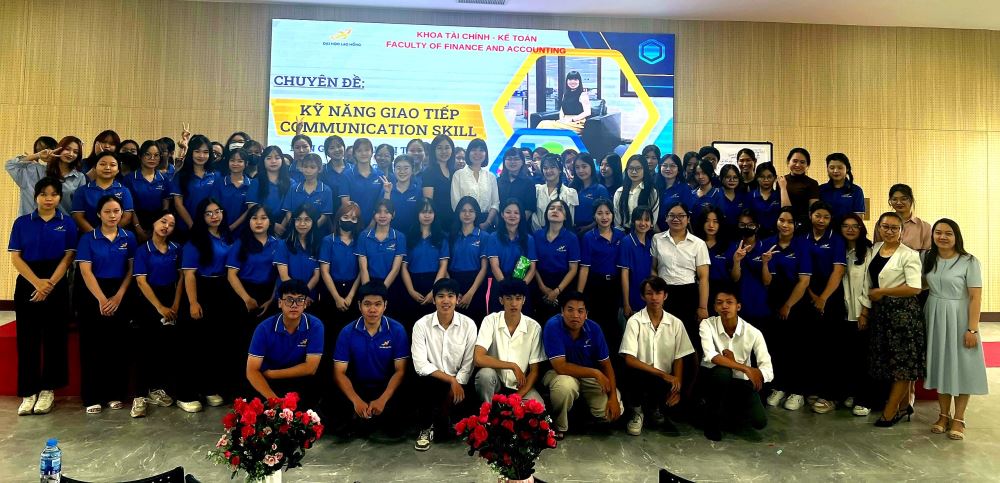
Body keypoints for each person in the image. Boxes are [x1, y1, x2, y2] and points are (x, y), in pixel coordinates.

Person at [10, 178, 77, 416]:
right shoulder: (22, 223)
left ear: (59, 197)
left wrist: (49, 285)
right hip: (28, 280)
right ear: (36, 196)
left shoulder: (67, 223)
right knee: (27, 338)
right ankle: (29, 391)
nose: (48, 198)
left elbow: (68, 257)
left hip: (56, 281)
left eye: (54, 194)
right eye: (43, 194)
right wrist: (37, 283)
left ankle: (49, 390)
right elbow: (16, 257)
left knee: (54, 337)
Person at [922, 219, 986, 440]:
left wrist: (972, 329)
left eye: (948, 233)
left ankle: (959, 418)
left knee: (961, 366)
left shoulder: (970, 261)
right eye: (938, 232)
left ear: (956, 236)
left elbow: (976, 297)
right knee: (941, 364)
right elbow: (922, 284)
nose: (942, 237)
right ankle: (943, 415)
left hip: (960, 317)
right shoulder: (928, 258)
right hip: (934, 314)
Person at [859, 212, 923, 427]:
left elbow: (914, 287)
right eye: (885, 226)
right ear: (878, 228)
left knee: (902, 364)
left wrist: (884, 291)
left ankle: (890, 411)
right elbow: (868, 283)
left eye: (894, 228)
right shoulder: (875, 249)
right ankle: (904, 406)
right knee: (887, 362)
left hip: (902, 315)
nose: (889, 231)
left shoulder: (909, 254)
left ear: (901, 231)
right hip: (881, 313)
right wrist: (865, 311)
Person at [76, 195, 136, 415]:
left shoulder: (128, 237)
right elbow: (85, 271)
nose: (112, 215)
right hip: (93, 293)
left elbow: (131, 270)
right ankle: (92, 396)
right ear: (99, 214)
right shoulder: (88, 238)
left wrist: (118, 296)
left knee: (117, 346)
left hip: (120, 291)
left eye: (116, 211)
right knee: (92, 346)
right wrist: (102, 299)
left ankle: (115, 393)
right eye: (107, 211)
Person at [331, 281, 409, 437]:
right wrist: (356, 400)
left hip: (386, 386)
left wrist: (383, 399)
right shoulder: (347, 332)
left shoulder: (397, 330)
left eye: (378, 304)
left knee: (396, 429)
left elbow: (400, 371)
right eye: (367, 304)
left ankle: (374, 418)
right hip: (358, 385)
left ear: (385, 305)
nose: (372, 309)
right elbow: (339, 373)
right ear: (359, 305)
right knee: (337, 419)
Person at [620, 276, 695, 436]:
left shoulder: (676, 323)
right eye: (649, 293)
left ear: (665, 295)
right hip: (642, 375)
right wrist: (662, 374)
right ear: (643, 296)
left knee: (678, 412)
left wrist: (677, 386)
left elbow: (679, 357)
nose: (654, 297)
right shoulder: (635, 321)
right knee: (630, 371)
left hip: (664, 379)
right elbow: (629, 359)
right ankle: (637, 412)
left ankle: (656, 408)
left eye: (658, 293)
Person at [177, 197, 233, 412]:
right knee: (194, 345)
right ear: (201, 217)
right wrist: (193, 302)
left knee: (214, 344)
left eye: (217, 211)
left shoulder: (226, 236)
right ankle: (186, 394)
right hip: (201, 290)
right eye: (208, 213)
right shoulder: (196, 240)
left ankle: (209, 389)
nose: (214, 216)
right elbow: (189, 274)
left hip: (222, 290)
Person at [542, 291, 622, 439]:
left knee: (610, 412)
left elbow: (606, 364)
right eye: (570, 310)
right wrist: (596, 373)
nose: (575, 315)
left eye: (580, 311)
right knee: (565, 387)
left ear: (586, 314)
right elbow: (560, 366)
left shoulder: (594, 329)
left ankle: (584, 417)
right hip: (558, 374)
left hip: (587, 375)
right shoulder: (553, 326)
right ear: (562, 311)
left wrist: (613, 398)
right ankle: (559, 426)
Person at [410, 278, 478, 450]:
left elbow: (469, 362)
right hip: (432, 380)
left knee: (454, 426)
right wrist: (450, 380)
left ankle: (447, 419)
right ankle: (426, 428)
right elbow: (420, 364)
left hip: (460, 381)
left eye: (450, 296)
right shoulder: (421, 325)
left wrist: (457, 381)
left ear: (457, 299)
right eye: (440, 296)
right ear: (433, 300)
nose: (445, 300)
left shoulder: (468, 325)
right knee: (422, 383)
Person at [699, 288, 773, 441]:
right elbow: (711, 355)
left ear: (738, 306)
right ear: (715, 307)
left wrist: (755, 373)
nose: (724, 306)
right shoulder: (707, 324)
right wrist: (743, 367)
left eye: (729, 302)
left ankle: (730, 412)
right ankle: (712, 420)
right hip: (713, 378)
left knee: (760, 422)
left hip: (740, 382)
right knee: (723, 372)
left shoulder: (753, 332)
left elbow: (768, 370)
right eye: (720, 303)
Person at [131, 210, 183, 417]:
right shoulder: (143, 250)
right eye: (163, 221)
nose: (166, 226)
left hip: (171, 298)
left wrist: (175, 305)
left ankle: (156, 390)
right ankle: (139, 397)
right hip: (148, 301)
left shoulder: (176, 249)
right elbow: (141, 281)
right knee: (145, 349)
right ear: (153, 223)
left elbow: (181, 278)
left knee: (164, 349)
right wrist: (160, 307)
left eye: (171, 224)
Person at [760, 207, 812, 411]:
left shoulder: (802, 245)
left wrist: (788, 305)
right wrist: (765, 264)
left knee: (796, 348)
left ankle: (797, 391)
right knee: (777, 347)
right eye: (782, 220)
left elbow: (804, 281)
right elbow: (766, 281)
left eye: (790, 221)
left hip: (796, 302)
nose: (785, 225)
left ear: (796, 225)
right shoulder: (767, 243)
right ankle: (779, 387)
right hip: (773, 300)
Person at [246, 279, 324, 409]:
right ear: (279, 303)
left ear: (305, 304)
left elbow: (310, 368)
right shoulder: (263, 328)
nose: (294, 305)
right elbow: (252, 370)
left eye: (300, 300)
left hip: (297, 377)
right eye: (289, 300)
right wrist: (274, 400)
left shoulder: (315, 325)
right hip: (268, 381)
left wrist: (272, 374)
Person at [800, 201, 847, 414]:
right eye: (818, 215)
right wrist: (812, 296)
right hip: (808, 296)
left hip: (831, 299)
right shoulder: (802, 238)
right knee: (812, 347)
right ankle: (814, 389)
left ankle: (831, 396)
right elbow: (802, 272)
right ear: (811, 215)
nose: (821, 220)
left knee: (831, 349)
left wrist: (823, 298)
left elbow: (838, 271)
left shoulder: (836, 239)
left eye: (826, 217)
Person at [474, 279, 546, 404]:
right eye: (509, 298)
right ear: (501, 300)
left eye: (518, 298)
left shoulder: (534, 327)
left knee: (539, 407)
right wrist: (512, 365)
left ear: (524, 300)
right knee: (484, 375)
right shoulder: (490, 320)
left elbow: (534, 371)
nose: (514, 303)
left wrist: (516, 397)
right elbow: (478, 358)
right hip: (495, 382)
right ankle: (487, 412)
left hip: (519, 385)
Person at [652, 202, 710, 351]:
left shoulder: (698, 244)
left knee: (688, 340)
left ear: (688, 219)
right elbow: (653, 269)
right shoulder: (657, 239)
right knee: (664, 338)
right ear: (666, 218)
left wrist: (702, 307)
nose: (676, 219)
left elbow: (703, 278)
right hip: (664, 294)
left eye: (681, 216)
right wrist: (656, 293)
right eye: (672, 215)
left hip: (688, 294)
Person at [226, 204, 280, 355]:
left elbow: (279, 275)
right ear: (248, 221)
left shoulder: (278, 244)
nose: (259, 222)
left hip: (268, 294)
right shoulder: (241, 243)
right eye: (254, 218)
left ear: (270, 221)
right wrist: (247, 299)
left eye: (263, 218)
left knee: (265, 339)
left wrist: (272, 299)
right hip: (243, 292)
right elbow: (231, 274)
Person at [577, 199, 625, 348]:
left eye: (607, 213)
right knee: (596, 321)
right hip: (595, 284)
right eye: (600, 213)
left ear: (612, 215)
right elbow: (584, 268)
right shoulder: (588, 237)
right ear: (594, 216)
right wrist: (579, 295)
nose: (604, 217)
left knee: (613, 322)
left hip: (615, 284)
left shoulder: (621, 236)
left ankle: (612, 355)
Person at [840, 213, 875, 417]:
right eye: (846, 225)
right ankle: (852, 393)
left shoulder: (868, 252)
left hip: (860, 313)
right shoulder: (839, 251)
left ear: (861, 229)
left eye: (855, 226)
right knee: (848, 357)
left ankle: (865, 399)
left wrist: (864, 313)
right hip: (842, 313)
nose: (850, 229)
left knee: (863, 358)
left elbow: (868, 284)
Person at [7, 136, 86, 217]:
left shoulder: (79, 177)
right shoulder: (36, 170)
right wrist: (37, 155)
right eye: (67, 149)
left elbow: (79, 208)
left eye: (76, 152)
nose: (71, 154)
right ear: (59, 148)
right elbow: (11, 165)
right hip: (31, 222)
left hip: (61, 223)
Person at [401, 198, 449, 321]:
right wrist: (411, 291)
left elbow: (443, 266)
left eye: (430, 212)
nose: (427, 215)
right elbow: (404, 268)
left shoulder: (441, 237)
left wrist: (434, 291)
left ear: (435, 214)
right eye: (423, 212)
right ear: (417, 214)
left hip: (434, 282)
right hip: (412, 283)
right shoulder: (409, 237)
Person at [532, 199, 580, 323]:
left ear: (566, 216)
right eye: (552, 208)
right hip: (540, 282)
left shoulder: (571, 238)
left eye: (560, 209)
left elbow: (573, 269)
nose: (555, 211)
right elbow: (533, 265)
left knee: (561, 323)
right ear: (546, 213)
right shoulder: (537, 236)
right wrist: (543, 287)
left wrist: (557, 291)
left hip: (563, 284)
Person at [357, 199, 407, 315]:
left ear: (393, 214)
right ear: (374, 214)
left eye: (387, 212)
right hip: (368, 283)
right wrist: (368, 292)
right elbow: (363, 268)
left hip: (391, 284)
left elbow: (396, 269)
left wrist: (382, 291)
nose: (382, 215)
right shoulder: (364, 236)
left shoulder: (399, 237)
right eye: (379, 212)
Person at [486, 199, 538, 311]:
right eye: (508, 212)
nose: (512, 215)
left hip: (522, 284)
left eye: (516, 213)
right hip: (500, 283)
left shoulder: (529, 239)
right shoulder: (493, 237)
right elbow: (494, 266)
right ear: (502, 214)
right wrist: (506, 288)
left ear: (521, 216)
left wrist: (520, 287)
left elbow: (532, 269)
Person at [318, 203, 362, 331]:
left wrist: (350, 296)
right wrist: (337, 298)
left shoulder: (360, 241)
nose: (349, 221)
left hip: (353, 289)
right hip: (331, 290)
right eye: (346, 217)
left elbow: (361, 271)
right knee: (330, 329)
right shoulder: (328, 240)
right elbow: (324, 272)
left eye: (353, 218)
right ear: (338, 218)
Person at [71, 151, 135, 233]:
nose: (107, 168)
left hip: (116, 236)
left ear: (118, 170)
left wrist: (109, 232)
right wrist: (95, 235)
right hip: (89, 235)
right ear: (94, 168)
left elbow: (127, 217)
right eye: (102, 164)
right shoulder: (82, 191)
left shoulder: (124, 191)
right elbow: (78, 217)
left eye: (112, 165)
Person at [450, 197, 489, 323]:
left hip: (476, 283)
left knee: (476, 322)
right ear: (458, 213)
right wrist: (454, 291)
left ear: (476, 214)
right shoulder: (451, 236)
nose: (467, 214)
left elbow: (484, 268)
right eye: (463, 211)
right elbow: (445, 266)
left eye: (471, 211)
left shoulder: (484, 236)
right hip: (454, 282)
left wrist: (471, 293)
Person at [170, 135, 219, 235]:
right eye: (197, 151)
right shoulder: (181, 176)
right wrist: (192, 226)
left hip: (211, 227)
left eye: (205, 152)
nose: (201, 156)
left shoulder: (216, 175)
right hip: (186, 228)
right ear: (191, 152)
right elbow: (178, 205)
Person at [124, 141, 171, 241]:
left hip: (158, 224)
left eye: (156, 155)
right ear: (140, 156)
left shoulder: (164, 178)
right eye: (148, 154)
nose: (152, 158)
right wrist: (138, 229)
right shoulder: (129, 179)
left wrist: (160, 225)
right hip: (135, 223)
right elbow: (130, 208)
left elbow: (165, 206)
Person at [275, 204, 322, 304]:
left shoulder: (316, 246)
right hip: (287, 298)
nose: (302, 223)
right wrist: (300, 297)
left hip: (308, 298)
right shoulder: (283, 244)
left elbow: (316, 276)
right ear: (293, 221)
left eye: (307, 220)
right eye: (298, 219)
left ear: (313, 222)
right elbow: (284, 277)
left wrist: (304, 294)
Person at [450, 139, 499, 229]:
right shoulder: (458, 175)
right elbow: (455, 203)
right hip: (464, 222)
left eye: (481, 150)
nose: (477, 153)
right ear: (468, 153)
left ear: (486, 154)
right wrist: (468, 221)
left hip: (486, 222)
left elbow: (495, 203)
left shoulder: (491, 176)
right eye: (474, 150)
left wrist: (487, 223)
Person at [280, 153, 335, 232]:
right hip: (295, 231)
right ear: (301, 168)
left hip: (316, 232)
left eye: (312, 167)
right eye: (305, 167)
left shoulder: (326, 190)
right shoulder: (293, 188)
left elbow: (324, 216)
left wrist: (310, 229)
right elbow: (288, 212)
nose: (308, 170)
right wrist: (297, 227)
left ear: (319, 169)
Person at [247, 146, 294, 236]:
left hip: (284, 227)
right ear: (263, 161)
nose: (273, 161)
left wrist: (282, 226)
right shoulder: (256, 182)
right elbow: (252, 207)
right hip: (261, 225)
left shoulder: (291, 183)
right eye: (269, 158)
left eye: (277, 158)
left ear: (282, 160)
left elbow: (290, 209)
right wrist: (273, 225)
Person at [619, 206, 655, 320]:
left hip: (647, 300)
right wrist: (626, 303)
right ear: (633, 221)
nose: (643, 223)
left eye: (647, 220)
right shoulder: (626, 242)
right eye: (639, 219)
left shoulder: (651, 243)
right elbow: (624, 274)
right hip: (632, 299)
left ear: (651, 223)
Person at [875, 183, 931, 252]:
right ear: (890, 201)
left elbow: (926, 255)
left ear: (911, 200)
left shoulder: (925, 227)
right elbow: (877, 249)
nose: (899, 203)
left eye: (903, 199)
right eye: (894, 199)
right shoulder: (882, 223)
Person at [342, 138, 384, 227]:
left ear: (372, 153)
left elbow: (381, 203)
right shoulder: (347, 175)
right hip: (353, 222)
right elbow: (346, 204)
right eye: (359, 151)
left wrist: (373, 223)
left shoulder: (380, 175)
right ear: (354, 154)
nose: (363, 153)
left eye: (367, 150)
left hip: (376, 223)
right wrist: (354, 222)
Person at [693, 205, 729, 306]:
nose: (711, 225)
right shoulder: (694, 244)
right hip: (697, 291)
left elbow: (734, 277)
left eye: (715, 221)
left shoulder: (727, 246)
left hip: (722, 293)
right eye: (707, 221)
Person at [532, 154, 579, 231]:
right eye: (545, 168)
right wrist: (541, 233)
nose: (548, 171)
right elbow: (533, 216)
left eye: (552, 167)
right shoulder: (536, 190)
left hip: (562, 235)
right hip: (538, 234)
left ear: (560, 170)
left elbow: (570, 219)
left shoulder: (570, 193)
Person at [212, 147, 253, 234]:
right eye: (232, 160)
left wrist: (232, 227)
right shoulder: (219, 182)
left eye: (240, 161)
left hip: (244, 231)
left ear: (246, 163)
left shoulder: (252, 184)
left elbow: (251, 210)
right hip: (220, 228)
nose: (235, 164)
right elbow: (213, 206)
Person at [420, 135, 457, 230]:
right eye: (439, 148)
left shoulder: (455, 172)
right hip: (437, 222)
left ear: (452, 150)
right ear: (434, 151)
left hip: (455, 221)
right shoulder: (429, 172)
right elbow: (429, 202)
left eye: (447, 148)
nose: (444, 151)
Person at [776, 147, 820, 228]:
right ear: (788, 162)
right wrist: (783, 187)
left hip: (804, 225)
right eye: (795, 161)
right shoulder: (781, 181)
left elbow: (814, 210)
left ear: (807, 165)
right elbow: (782, 208)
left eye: (802, 162)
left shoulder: (812, 183)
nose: (798, 165)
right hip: (784, 224)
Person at [614, 155, 659, 230]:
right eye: (631, 168)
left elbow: (653, 218)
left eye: (638, 168)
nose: (634, 172)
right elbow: (617, 219)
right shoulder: (620, 192)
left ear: (645, 170)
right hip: (624, 232)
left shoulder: (652, 192)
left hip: (645, 232)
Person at [818, 153, 865, 224]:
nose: (835, 171)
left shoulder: (856, 190)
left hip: (847, 229)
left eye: (840, 168)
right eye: (832, 168)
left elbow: (858, 218)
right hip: (825, 229)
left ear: (847, 169)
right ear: (827, 169)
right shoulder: (821, 189)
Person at [496, 148, 537, 231]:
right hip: (500, 226)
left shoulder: (529, 182)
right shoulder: (498, 182)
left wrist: (515, 224)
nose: (512, 162)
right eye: (509, 159)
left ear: (522, 162)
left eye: (516, 159)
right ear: (504, 161)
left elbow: (529, 208)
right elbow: (495, 205)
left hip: (521, 227)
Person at [568, 153, 608, 234]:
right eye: (577, 167)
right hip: (573, 231)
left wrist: (588, 227)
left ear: (591, 167)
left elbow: (606, 214)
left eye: (584, 166)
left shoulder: (600, 189)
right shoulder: (571, 187)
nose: (580, 171)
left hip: (594, 232)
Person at [655, 154, 692, 232]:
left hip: (676, 230)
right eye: (665, 165)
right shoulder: (654, 187)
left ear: (678, 169)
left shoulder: (684, 188)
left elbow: (686, 213)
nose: (668, 169)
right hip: (654, 230)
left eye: (672, 166)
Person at [386, 155, 421, 236]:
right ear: (394, 170)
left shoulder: (419, 191)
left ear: (412, 170)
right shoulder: (387, 189)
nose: (402, 172)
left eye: (406, 168)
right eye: (398, 168)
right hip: (391, 236)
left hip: (413, 236)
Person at [748, 162, 781, 239]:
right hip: (755, 237)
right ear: (757, 177)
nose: (766, 180)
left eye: (769, 177)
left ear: (775, 178)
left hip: (776, 237)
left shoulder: (779, 195)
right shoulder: (750, 196)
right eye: (762, 177)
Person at [319, 135, 352, 201]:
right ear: (327, 152)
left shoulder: (353, 169)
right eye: (332, 148)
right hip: (329, 207)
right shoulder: (322, 171)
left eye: (339, 146)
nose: (337, 150)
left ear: (344, 148)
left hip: (351, 207)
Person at [717, 164, 747, 230]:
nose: (732, 180)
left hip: (739, 233)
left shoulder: (742, 196)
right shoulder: (716, 195)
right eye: (728, 177)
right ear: (721, 178)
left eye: (735, 177)